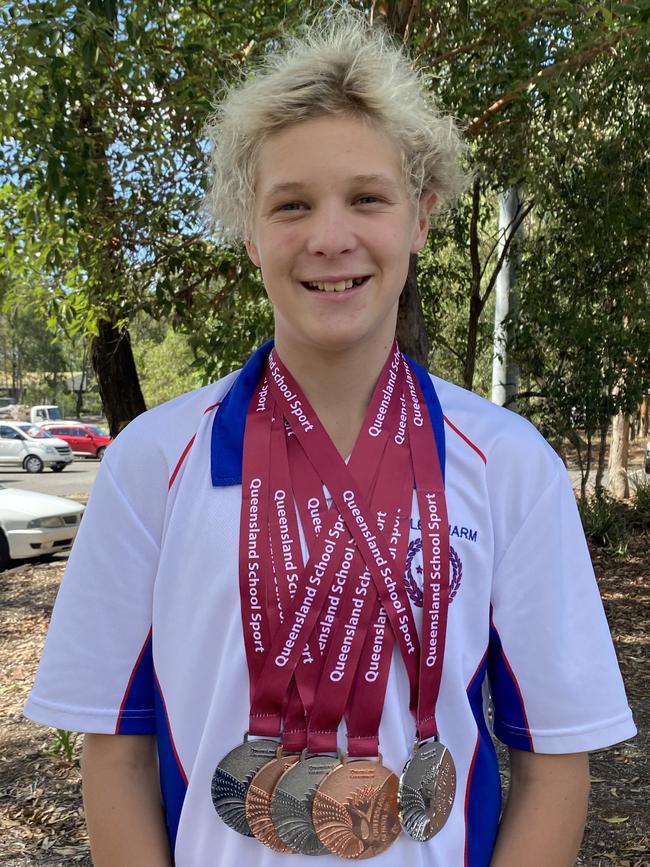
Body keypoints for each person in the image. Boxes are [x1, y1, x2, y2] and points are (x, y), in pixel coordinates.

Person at [24, 10, 635, 867]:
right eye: (292, 205)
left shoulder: (509, 465)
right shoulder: (153, 464)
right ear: (249, 232)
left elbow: (556, 760)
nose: (330, 237)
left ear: (419, 219)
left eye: (367, 198)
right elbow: (115, 752)